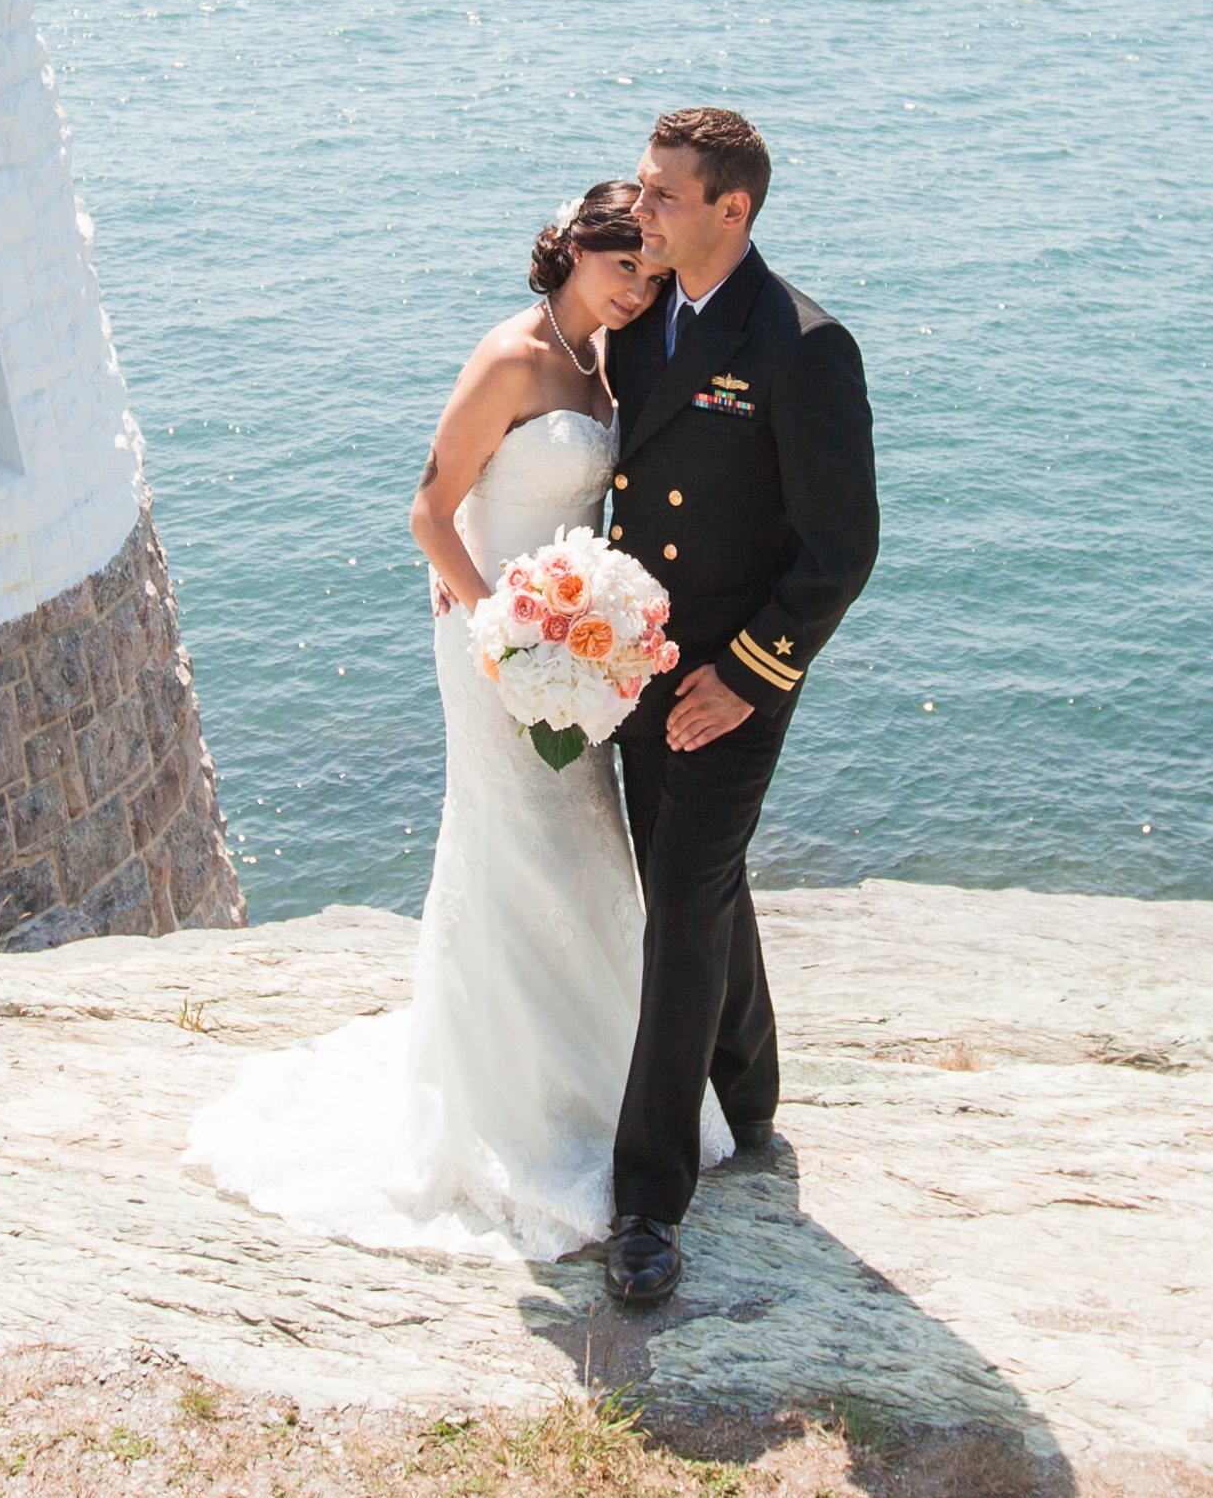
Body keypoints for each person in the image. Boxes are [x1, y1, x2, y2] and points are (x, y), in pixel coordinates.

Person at [180, 179, 716, 1256]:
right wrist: (501, 630)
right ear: (571, 251)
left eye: (650, 276)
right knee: (506, 840)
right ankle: (508, 1104)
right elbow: (427, 506)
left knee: (582, 841)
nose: (636, 290)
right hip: (497, 640)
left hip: (568, 642)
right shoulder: (510, 356)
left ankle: (599, 1076)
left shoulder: (604, 362)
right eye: (623, 269)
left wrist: (579, 629)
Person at [594, 106, 878, 1307]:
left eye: (660, 194)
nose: (637, 209)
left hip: (731, 680)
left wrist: (751, 671)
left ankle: (649, 1200)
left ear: (732, 210)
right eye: (643, 188)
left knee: (680, 903)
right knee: (693, 878)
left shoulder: (801, 343)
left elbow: (840, 547)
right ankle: (749, 1093)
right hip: (638, 665)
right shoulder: (642, 318)